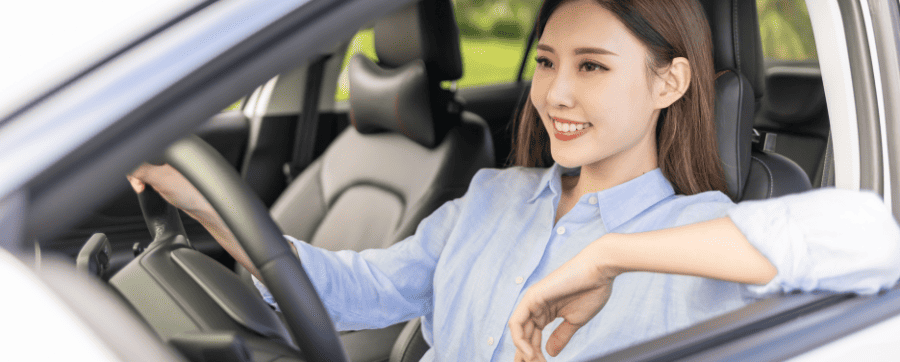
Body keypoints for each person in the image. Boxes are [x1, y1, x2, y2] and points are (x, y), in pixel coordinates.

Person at [127, 0, 900, 360]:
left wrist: (610, 257)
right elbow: (347, 291)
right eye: (547, 63)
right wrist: (201, 203)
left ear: (669, 85)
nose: (555, 95)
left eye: (593, 67)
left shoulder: (693, 237)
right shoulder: (493, 198)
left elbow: (873, 241)